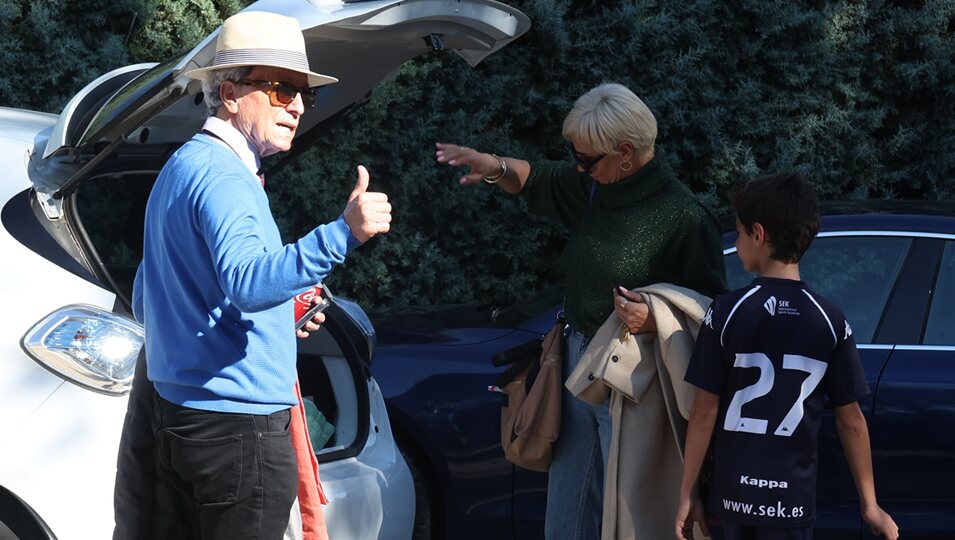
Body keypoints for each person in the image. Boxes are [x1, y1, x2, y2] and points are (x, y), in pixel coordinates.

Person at [116, 11, 392, 539]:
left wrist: (276, 318)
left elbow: (151, 297)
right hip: (235, 432)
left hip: (182, 417)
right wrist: (344, 233)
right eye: (279, 89)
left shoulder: (184, 166)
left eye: (303, 94)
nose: (297, 107)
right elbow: (246, 282)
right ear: (228, 91)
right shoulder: (225, 177)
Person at [436, 82, 726, 539]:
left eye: (587, 159)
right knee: (565, 516)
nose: (579, 166)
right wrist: (493, 166)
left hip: (633, 382)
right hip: (574, 364)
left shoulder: (684, 218)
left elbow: (709, 316)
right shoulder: (595, 188)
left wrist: (654, 319)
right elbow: (538, 179)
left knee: (627, 520)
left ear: (625, 152)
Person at [675, 173, 899, 540]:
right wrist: (869, 505)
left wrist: (687, 493)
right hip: (791, 505)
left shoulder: (727, 311)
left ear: (758, 235)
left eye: (740, 233)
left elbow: (704, 412)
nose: (740, 243)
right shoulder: (830, 319)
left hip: (734, 499)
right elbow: (852, 421)